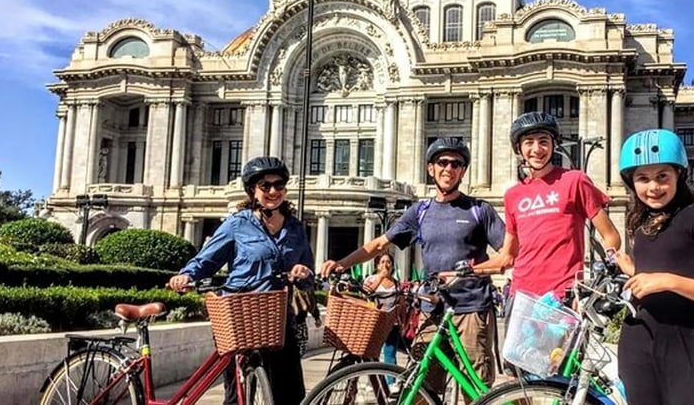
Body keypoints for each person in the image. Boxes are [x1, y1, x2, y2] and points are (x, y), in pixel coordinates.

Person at [320, 137, 506, 400]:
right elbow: (379, 244)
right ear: (430, 168)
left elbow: (507, 257)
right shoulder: (420, 212)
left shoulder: (479, 210)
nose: (448, 169)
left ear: (463, 171)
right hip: (433, 309)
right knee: (420, 386)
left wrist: (468, 272)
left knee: (474, 391)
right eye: (442, 162)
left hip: (471, 309)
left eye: (456, 164)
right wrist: (341, 263)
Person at [168, 156, 313, 405]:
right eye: (265, 186)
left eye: (279, 185)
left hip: (277, 320)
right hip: (239, 316)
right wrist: (187, 275)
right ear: (252, 190)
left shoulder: (296, 228)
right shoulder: (237, 224)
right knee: (237, 394)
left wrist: (303, 274)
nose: (273, 191)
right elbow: (207, 260)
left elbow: (309, 275)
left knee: (291, 393)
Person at [614, 129, 694, 405]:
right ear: (632, 183)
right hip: (639, 341)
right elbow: (658, 274)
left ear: (679, 174)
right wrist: (634, 271)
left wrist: (667, 280)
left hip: (690, 343)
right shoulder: (642, 223)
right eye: (642, 179)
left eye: (662, 177)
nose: (653, 187)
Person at [499, 112, 622, 301]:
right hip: (521, 297)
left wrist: (609, 265)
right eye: (529, 142)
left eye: (543, 141)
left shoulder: (575, 180)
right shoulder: (512, 195)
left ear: (553, 145)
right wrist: (461, 271)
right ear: (518, 149)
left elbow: (611, 235)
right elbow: (508, 256)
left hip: (563, 296)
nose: (537, 149)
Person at [363, 251, 401, 369]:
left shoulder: (396, 283)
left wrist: (403, 322)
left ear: (393, 266)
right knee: (372, 353)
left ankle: (391, 383)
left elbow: (402, 304)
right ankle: (373, 382)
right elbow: (366, 293)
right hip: (375, 322)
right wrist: (380, 278)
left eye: (388, 262)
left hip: (392, 323)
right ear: (378, 266)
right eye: (382, 262)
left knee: (390, 353)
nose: (385, 265)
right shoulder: (371, 279)